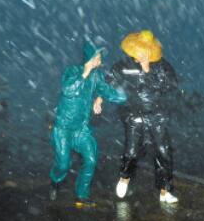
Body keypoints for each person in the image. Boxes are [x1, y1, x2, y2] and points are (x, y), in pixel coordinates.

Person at [49, 41, 127, 208]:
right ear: (90, 58)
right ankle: (55, 181)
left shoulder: (96, 76)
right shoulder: (72, 71)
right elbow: (69, 90)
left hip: (81, 129)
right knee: (63, 164)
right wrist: (85, 72)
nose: (100, 59)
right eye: (98, 56)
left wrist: (127, 96)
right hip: (63, 128)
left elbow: (106, 91)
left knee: (91, 160)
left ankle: (81, 195)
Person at [109, 30, 179, 203]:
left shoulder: (162, 66)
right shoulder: (123, 65)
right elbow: (109, 82)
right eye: (139, 50)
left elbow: (171, 86)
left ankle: (165, 191)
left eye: (146, 50)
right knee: (132, 151)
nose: (142, 54)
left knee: (163, 152)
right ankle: (124, 177)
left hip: (157, 115)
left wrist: (148, 70)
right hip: (134, 115)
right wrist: (99, 98)